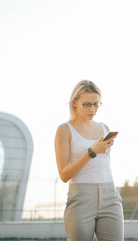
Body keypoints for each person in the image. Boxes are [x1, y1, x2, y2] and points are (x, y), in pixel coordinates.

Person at [54, 80, 124, 241]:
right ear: (74, 103)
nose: (92, 109)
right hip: (81, 199)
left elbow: (106, 164)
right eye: (86, 104)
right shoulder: (64, 129)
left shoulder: (104, 128)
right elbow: (64, 175)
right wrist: (91, 152)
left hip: (110, 197)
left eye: (96, 104)